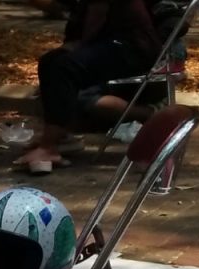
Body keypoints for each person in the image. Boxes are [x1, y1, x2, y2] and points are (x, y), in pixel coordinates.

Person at [15, 0, 161, 173]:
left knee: (63, 67)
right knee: (50, 61)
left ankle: (48, 148)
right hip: (108, 41)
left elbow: (97, 12)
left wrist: (80, 45)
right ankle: (62, 136)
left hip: (130, 45)